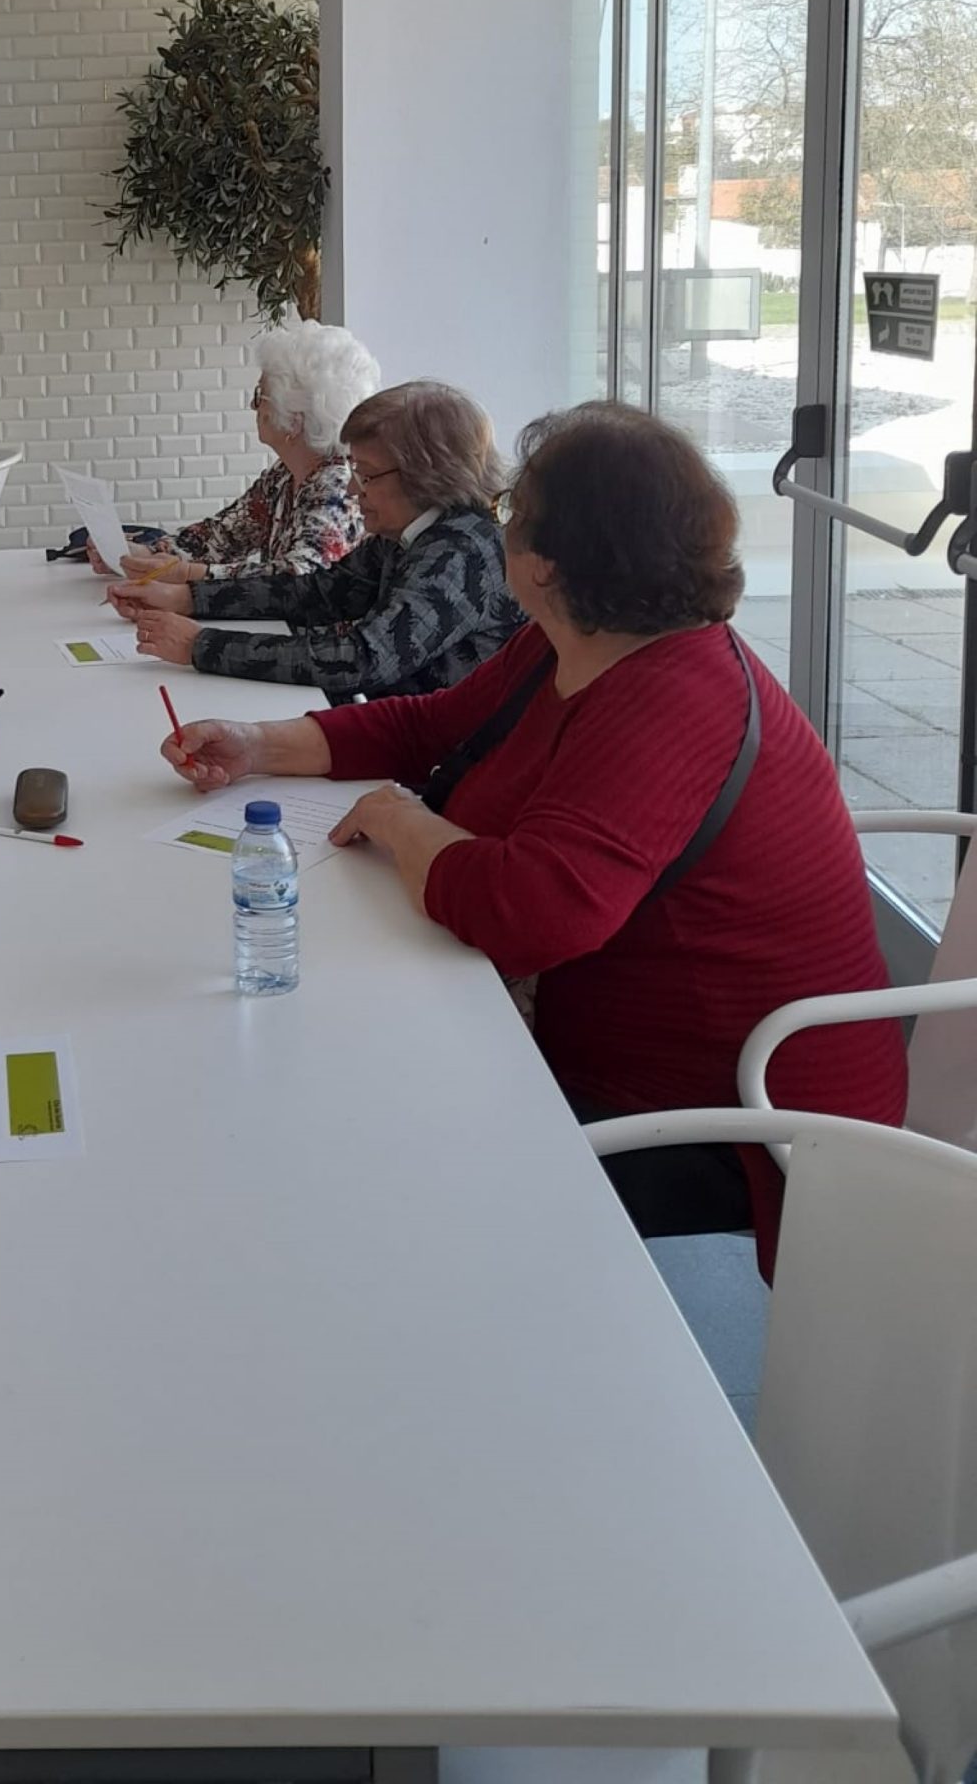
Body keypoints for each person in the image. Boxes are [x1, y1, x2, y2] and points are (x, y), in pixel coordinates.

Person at [160, 403, 907, 1265]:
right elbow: (427, 726)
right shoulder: (578, 638)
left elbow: (529, 911)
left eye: (515, 516)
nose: (498, 528)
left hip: (738, 1121)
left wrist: (404, 822)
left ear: (545, 564)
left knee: (349, 1144)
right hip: (614, 1053)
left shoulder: (672, 698)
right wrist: (258, 746)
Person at [111, 379, 521, 698]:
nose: (353, 490)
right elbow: (318, 591)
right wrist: (188, 598)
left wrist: (202, 645)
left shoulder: (462, 554)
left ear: (427, 476)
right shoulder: (413, 532)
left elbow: (362, 658)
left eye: (367, 474)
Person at [99, 319, 379, 582]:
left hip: (311, 633)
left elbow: (297, 577)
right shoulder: (284, 475)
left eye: (260, 396)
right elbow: (225, 534)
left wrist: (186, 573)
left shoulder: (338, 487)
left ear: (294, 420)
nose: (253, 407)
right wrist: (144, 553)